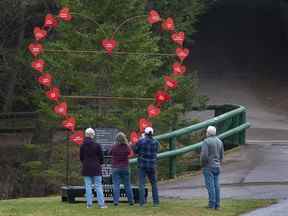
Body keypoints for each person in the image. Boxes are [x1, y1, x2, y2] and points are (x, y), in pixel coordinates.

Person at [80, 128, 107, 209]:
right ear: (92, 135)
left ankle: (89, 204)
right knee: (98, 186)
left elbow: (81, 157)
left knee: (88, 186)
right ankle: (101, 204)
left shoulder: (82, 145)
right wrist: (100, 163)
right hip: (96, 167)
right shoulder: (97, 145)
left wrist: (85, 163)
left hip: (86, 167)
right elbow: (101, 157)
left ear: (86, 135)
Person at [133, 127, 160, 207]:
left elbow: (135, 150)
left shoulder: (141, 141)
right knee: (154, 184)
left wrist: (138, 140)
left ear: (145, 133)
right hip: (152, 165)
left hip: (142, 164)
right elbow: (157, 150)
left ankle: (142, 203)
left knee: (141, 184)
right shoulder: (156, 142)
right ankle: (156, 202)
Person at [200, 126, 224, 210]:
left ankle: (211, 205)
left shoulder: (206, 142)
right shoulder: (219, 141)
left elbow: (204, 156)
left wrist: (203, 164)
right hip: (217, 166)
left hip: (208, 166)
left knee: (210, 186)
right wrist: (219, 163)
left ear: (208, 133)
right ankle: (217, 205)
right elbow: (221, 155)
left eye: (206, 132)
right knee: (216, 186)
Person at [111, 132, 134, 206]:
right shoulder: (127, 147)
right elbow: (130, 153)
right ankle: (130, 201)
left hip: (115, 167)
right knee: (127, 185)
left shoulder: (114, 147)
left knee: (116, 185)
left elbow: (109, 152)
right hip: (125, 167)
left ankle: (116, 201)